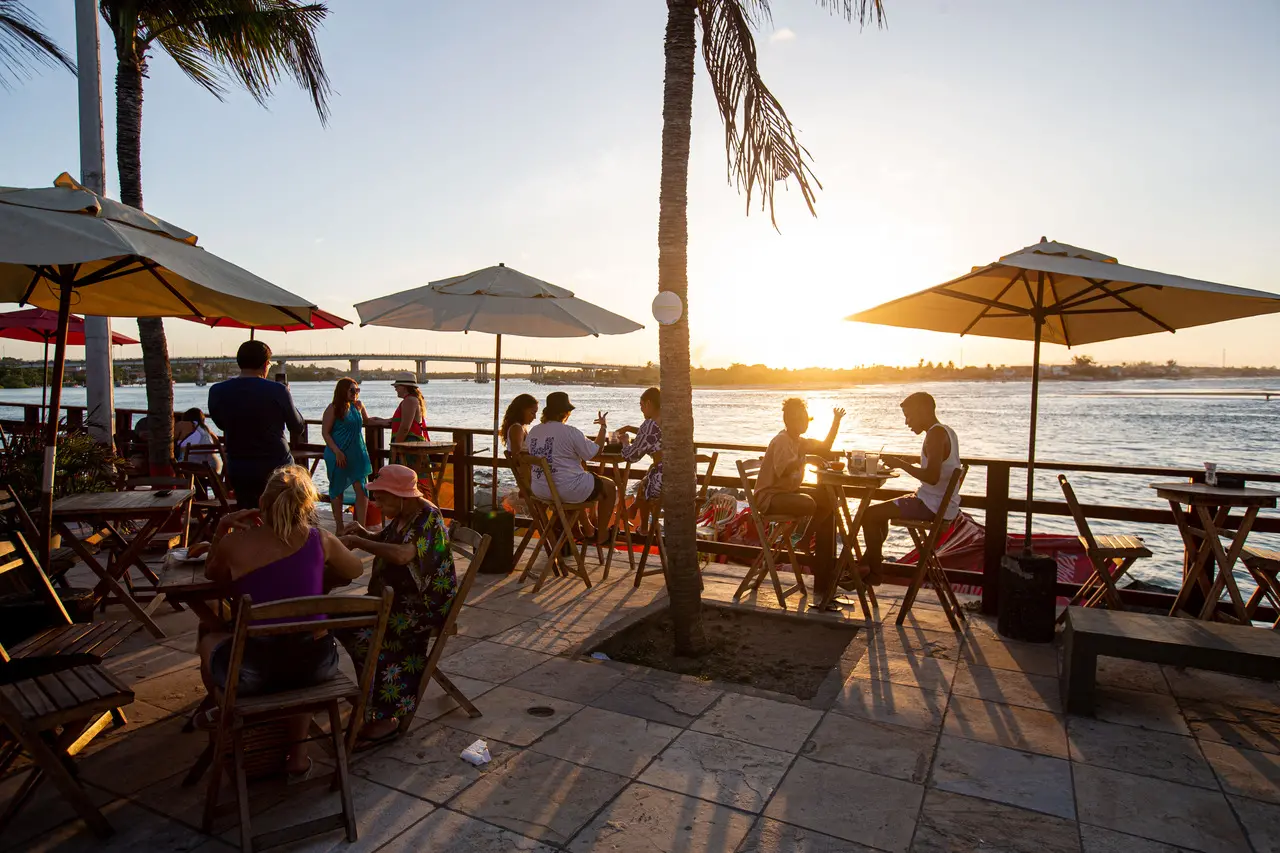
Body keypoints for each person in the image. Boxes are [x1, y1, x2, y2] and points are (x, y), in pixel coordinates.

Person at [197, 466, 365, 775]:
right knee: (302, 644)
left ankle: (229, 720)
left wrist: (221, 531)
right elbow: (355, 570)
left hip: (254, 671)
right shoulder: (320, 540)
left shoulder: (234, 544)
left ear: (262, 503)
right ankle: (297, 756)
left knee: (209, 640)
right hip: (315, 668)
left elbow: (213, 575)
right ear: (307, 505)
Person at [337, 465, 458, 748]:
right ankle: (370, 697)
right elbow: (391, 541)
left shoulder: (426, 517)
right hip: (399, 600)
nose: (378, 504)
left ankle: (385, 716)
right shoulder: (405, 514)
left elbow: (403, 554)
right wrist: (365, 533)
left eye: (382, 499)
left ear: (402, 496)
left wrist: (358, 542)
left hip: (421, 607)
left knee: (365, 634)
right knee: (341, 620)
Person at [858, 392, 961, 582]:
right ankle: (868, 564)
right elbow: (938, 465)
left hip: (931, 506)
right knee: (878, 515)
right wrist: (910, 461)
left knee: (869, 515)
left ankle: (872, 571)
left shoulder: (934, 435)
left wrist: (901, 464)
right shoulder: (946, 431)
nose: (907, 422)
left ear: (922, 411)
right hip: (941, 504)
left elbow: (932, 476)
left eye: (909, 416)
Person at [754, 398, 845, 605]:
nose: (806, 423)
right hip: (770, 497)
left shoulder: (798, 440)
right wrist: (807, 459)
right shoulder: (782, 441)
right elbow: (784, 469)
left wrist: (836, 421)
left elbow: (825, 447)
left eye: (807, 419)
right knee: (809, 504)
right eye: (803, 419)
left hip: (786, 493)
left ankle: (804, 538)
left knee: (828, 499)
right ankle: (803, 538)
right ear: (792, 421)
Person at [208, 340, 306, 509]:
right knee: (281, 514)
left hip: (239, 465)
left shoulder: (217, 391)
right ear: (265, 364)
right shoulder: (277, 390)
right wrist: (288, 396)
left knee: (247, 513)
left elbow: (221, 424)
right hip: (276, 465)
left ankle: (250, 535)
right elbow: (297, 426)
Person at [525, 391, 616, 545]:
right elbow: (594, 451)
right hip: (564, 490)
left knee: (578, 480)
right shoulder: (570, 432)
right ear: (564, 413)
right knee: (610, 486)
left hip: (541, 490)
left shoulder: (534, 432)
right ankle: (602, 535)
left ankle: (585, 531)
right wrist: (603, 428)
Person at [322, 378, 373, 535]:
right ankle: (340, 527)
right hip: (338, 453)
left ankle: (361, 527)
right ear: (342, 390)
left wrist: (389, 421)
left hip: (357, 453)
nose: (355, 393)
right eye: (352, 390)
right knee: (337, 488)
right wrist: (337, 451)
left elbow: (368, 421)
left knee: (362, 489)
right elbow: (325, 433)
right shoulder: (333, 408)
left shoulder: (358, 406)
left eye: (357, 390)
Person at [619, 387, 663, 535]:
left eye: (642, 406)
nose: (642, 411)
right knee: (648, 476)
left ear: (649, 403)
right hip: (687, 478)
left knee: (647, 481)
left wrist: (625, 442)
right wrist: (631, 428)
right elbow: (654, 436)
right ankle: (640, 517)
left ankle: (643, 527)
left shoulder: (650, 424)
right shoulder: (672, 419)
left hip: (665, 481)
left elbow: (632, 456)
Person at [177, 408, 222, 476]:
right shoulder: (206, 429)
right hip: (213, 466)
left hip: (192, 466)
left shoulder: (183, 424)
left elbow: (169, 439)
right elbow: (217, 443)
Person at [501, 393, 540, 457]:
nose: (534, 417)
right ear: (522, 410)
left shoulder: (520, 427)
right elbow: (517, 455)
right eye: (532, 413)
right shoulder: (517, 428)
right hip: (524, 466)